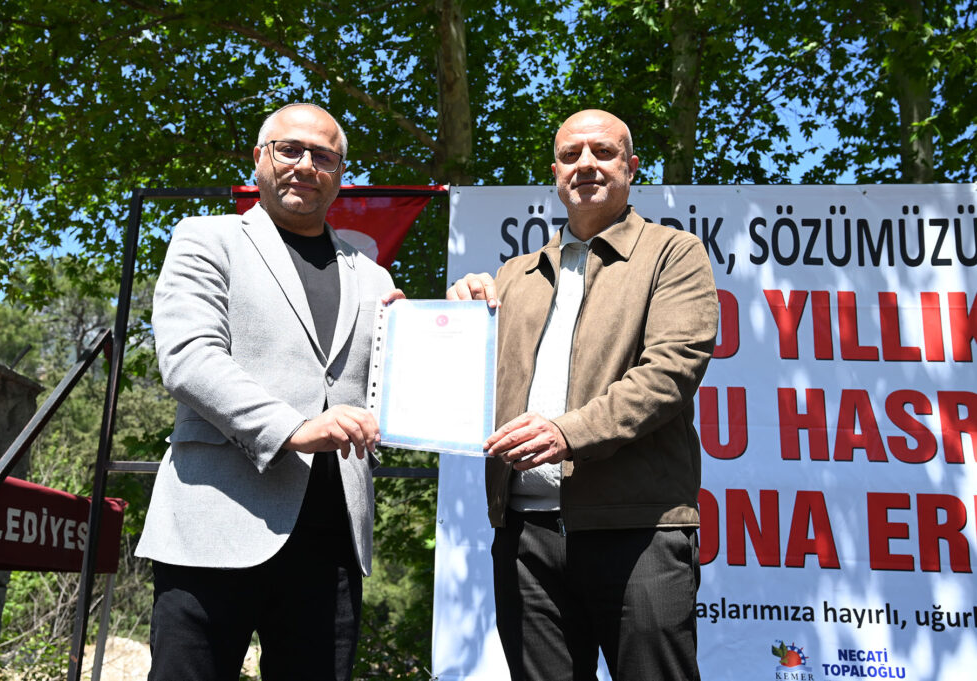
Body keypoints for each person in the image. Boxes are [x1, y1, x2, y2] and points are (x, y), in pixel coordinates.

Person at [447, 109, 718, 681]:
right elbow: (464, 386)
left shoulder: (673, 253)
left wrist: (566, 433)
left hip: (637, 528)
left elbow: (670, 372)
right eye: (570, 155)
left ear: (631, 167)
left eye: (603, 152)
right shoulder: (513, 276)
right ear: (555, 172)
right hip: (524, 536)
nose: (586, 164)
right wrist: (451, 321)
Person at [136, 103, 402, 681]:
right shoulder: (207, 239)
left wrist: (447, 323)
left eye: (323, 155)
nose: (306, 165)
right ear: (259, 158)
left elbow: (393, 391)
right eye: (290, 149)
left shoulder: (374, 277)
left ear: (340, 173)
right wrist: (292, 428)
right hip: (215, 524)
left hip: (331, 543)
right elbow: (188, 357)